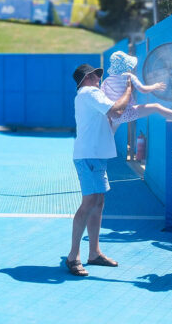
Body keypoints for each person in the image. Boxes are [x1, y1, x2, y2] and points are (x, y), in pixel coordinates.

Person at [65, 63, 132, 277]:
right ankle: (73, 256)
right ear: (87, 78)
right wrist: (129, 89)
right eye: (95, 75)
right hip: (90, 156)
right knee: (89, 203)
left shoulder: (86, 96)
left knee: (98, 203)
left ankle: (94, 252)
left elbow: (111, 117)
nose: (99, 79)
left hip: (95, 156)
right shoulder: (89, 92)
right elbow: (117, 110)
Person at [101, 51, 172, 130]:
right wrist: (155, 86)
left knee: (112, 132)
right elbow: (143, 90)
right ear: (126, 66)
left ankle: (108, 139)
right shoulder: (128, 76)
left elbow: (104, 99)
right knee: (156, 107)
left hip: (114, 116)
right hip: (127, 112)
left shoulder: (105, 81)